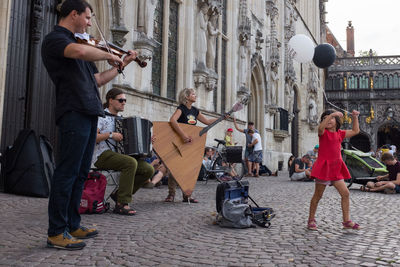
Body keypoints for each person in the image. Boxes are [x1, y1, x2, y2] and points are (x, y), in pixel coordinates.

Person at [42, 0, 137, 250]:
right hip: (72, 111)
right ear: (73, 14)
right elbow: (82, 52)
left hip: (88, 111)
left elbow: (96, 79)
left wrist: (120, 66)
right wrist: (109, 53)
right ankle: (56, 231)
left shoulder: (80, 44)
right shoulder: (57, 40)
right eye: (87, 17)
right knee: (67, 173)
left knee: (80, 174)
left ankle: (73, 224)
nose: (88, 22)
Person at [92, 88, 154, 216]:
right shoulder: (101, 116)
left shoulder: (123, 120)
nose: (124, 103)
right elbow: (93, 137)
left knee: (148, 169)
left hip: (120, 155)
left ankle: (118, 194)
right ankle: (122, 203)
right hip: (102, 155)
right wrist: (110, 135)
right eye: (121, 100)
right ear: (111, 101)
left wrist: (148, 139)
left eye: (125, 100)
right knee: (130, 163)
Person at [165, 88, 226, 203]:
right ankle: (171, 194)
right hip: (180, 142)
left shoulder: (195, 111)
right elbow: (173, 120)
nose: (195, 96)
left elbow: (207, 122)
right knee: (175, 168)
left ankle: (187, 195)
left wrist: (220, 118)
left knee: (189, 169)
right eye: (193, 94)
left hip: (190, 144)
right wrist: (183, 135)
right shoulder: (181, 109)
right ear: (187, 96)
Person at [307, 109, 361, 231]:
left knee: (345, 193)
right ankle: (311, 219)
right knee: (318, 196)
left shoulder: (340, 133)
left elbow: (355, 131)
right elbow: (320, 128)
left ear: (337, 121)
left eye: (331, 118)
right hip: (324, 169)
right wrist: (331, 114)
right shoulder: (323, 133)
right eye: (325, 118)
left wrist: (355, 117)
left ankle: (346, 221)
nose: (328, 120)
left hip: (336, 170)